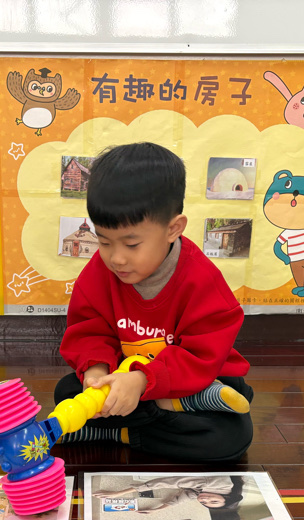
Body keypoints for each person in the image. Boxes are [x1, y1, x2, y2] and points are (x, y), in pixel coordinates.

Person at [54, 142, 253, 462]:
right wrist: (97, 371)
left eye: (132, 244)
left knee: (231, 436)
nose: (116, 258)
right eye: (104, 241)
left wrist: (142, 380)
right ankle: (146, 420)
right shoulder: (99, 273)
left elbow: (202, 356)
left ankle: (121, 429)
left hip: (194, 381)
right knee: (66, 391)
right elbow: (89, 331)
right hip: (128, 379)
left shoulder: (201, 280)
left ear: (173, 229)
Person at [95, 475, 246, 520]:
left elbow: (181, 499)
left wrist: (156, 510)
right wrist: (117, 493)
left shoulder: (206, 493)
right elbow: (169, 481)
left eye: (206, 504)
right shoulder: (220, 485)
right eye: (214, 501)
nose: (205, 500)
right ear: (226, 496)